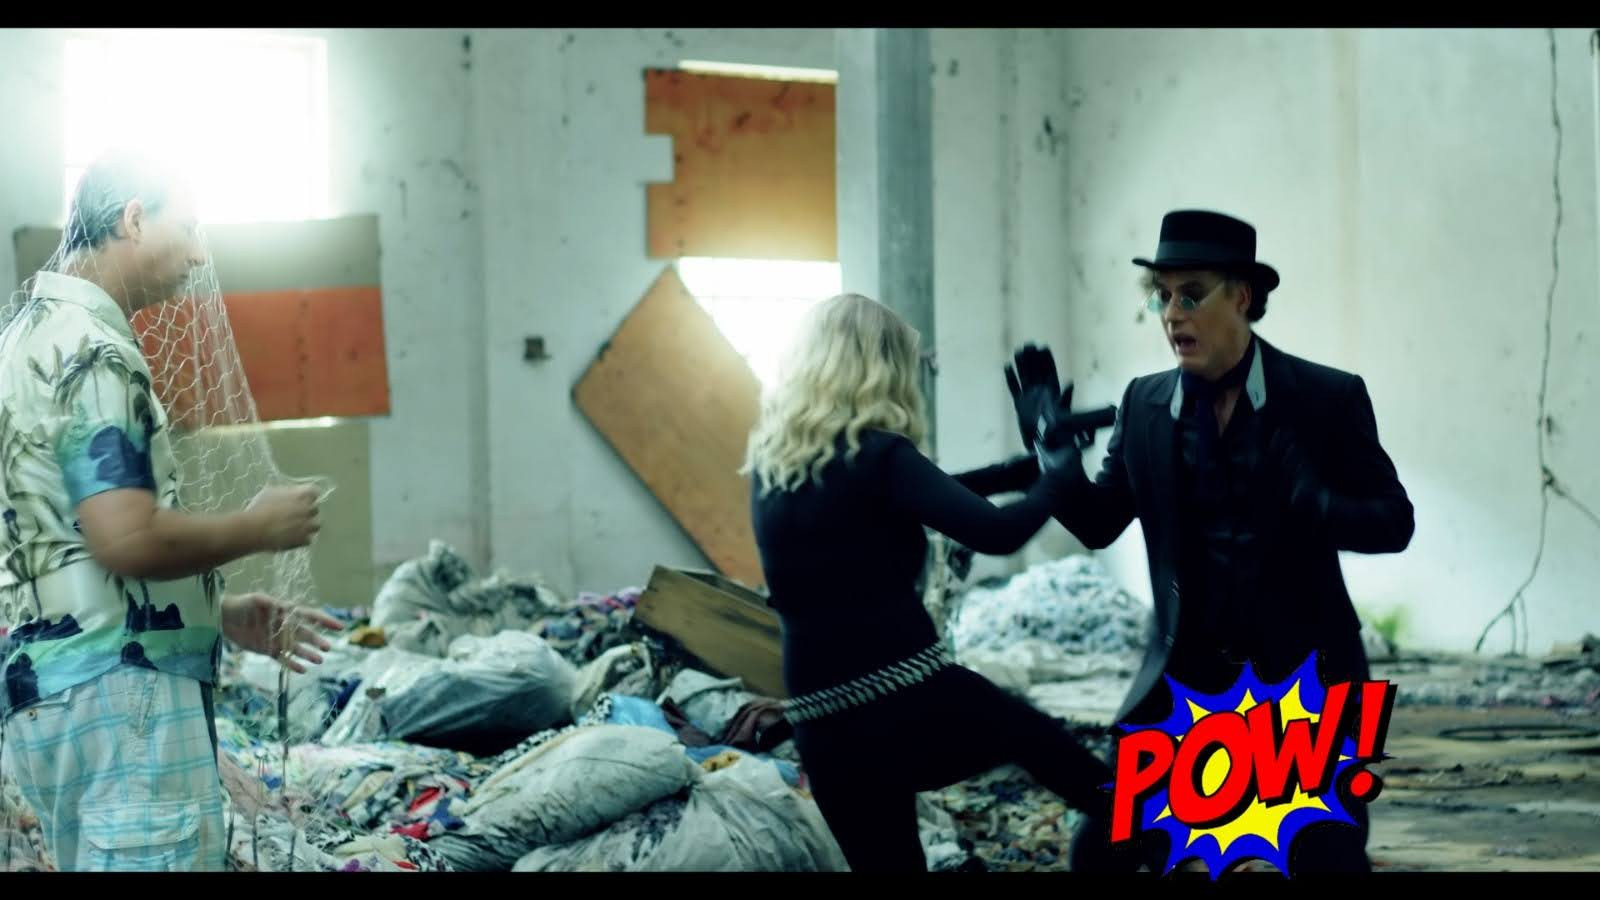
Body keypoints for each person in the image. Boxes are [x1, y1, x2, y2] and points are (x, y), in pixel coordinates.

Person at [1008, 209, 1415, 873]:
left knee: (1329, 860)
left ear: (1242, 297)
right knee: (1101, 852)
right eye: (1161, 296)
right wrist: (1054, 457)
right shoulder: (1144, 404)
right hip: (1184, 681)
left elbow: (1395, 523)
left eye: (1191, 295)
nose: (1172, 314)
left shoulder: (1325, 398)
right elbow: (1100, 522)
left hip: (1306, 684)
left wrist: (1317, 503)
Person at [0, 152, 342, 871]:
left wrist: (220, 612)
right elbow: (125, 535)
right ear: (133, 219)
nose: (197, 255)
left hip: (50, 696)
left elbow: (65, 539)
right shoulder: (94, 352)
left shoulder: (26, 338)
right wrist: (257, 526)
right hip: (125, 704)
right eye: (186, 228)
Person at [745, 292, 1117, 872]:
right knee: (1096, 786)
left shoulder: (777, 465)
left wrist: (1026, 468)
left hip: (823, 723)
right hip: (908, 702)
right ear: (881, 367)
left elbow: (914, 495)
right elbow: (998, 533)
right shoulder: (883, 456)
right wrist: (1060, 474)